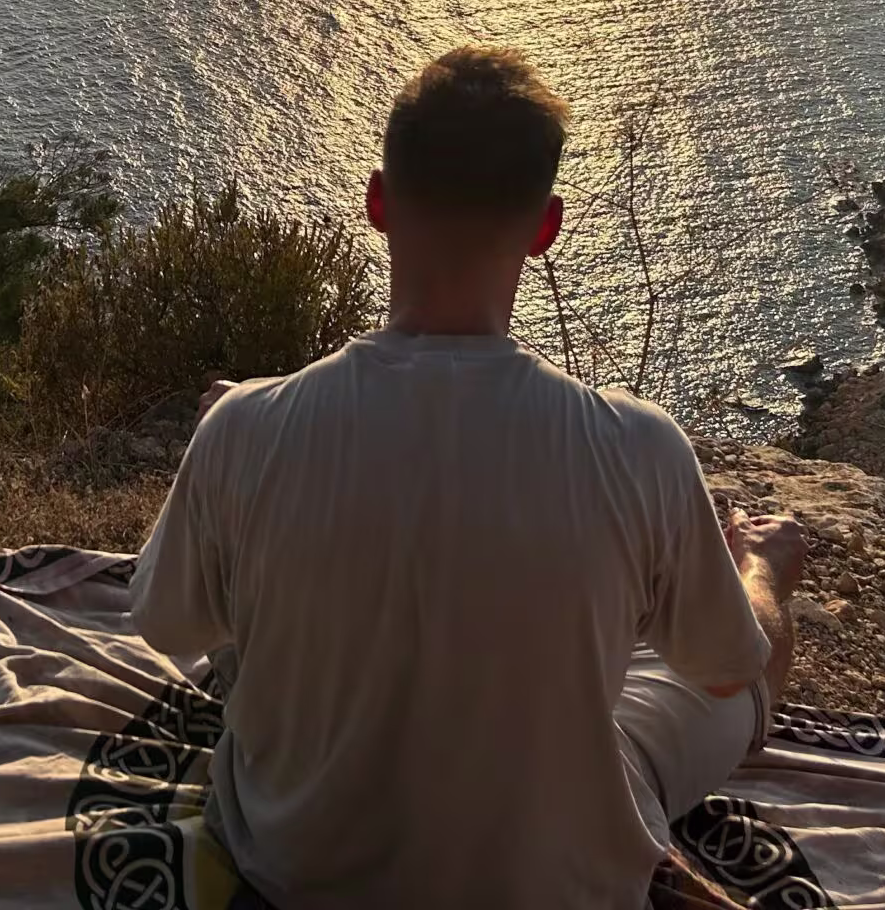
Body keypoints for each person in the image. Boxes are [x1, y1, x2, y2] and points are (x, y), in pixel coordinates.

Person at [132, 45, 808, 909]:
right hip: (554, 883)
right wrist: (759, 571)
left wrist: (237, 443)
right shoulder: (640, 447)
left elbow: (169, 624)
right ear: (546, 228)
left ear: (378, 202)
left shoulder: (243, 431)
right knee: (739, 666)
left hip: (294, 868)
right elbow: (722, 667)